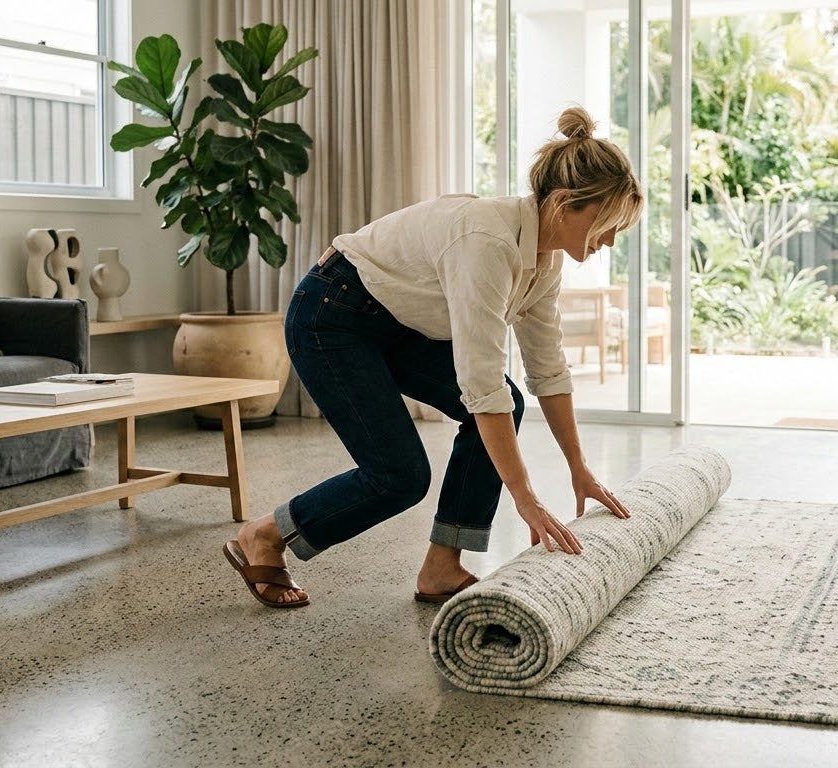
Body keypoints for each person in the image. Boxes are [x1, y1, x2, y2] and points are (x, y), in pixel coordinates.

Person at [222, 106, 643, 608]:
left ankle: (442, 566)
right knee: (399, 476)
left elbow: (548, 371)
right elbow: (481, 381)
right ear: (564, 204)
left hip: (397, 323)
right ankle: (264, 534)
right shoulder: (487, 240)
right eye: (607, 224)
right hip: (332, 314)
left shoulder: (544, 262)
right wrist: (525, 497)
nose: (610, 240)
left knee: (507, 402)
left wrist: (579, 468)